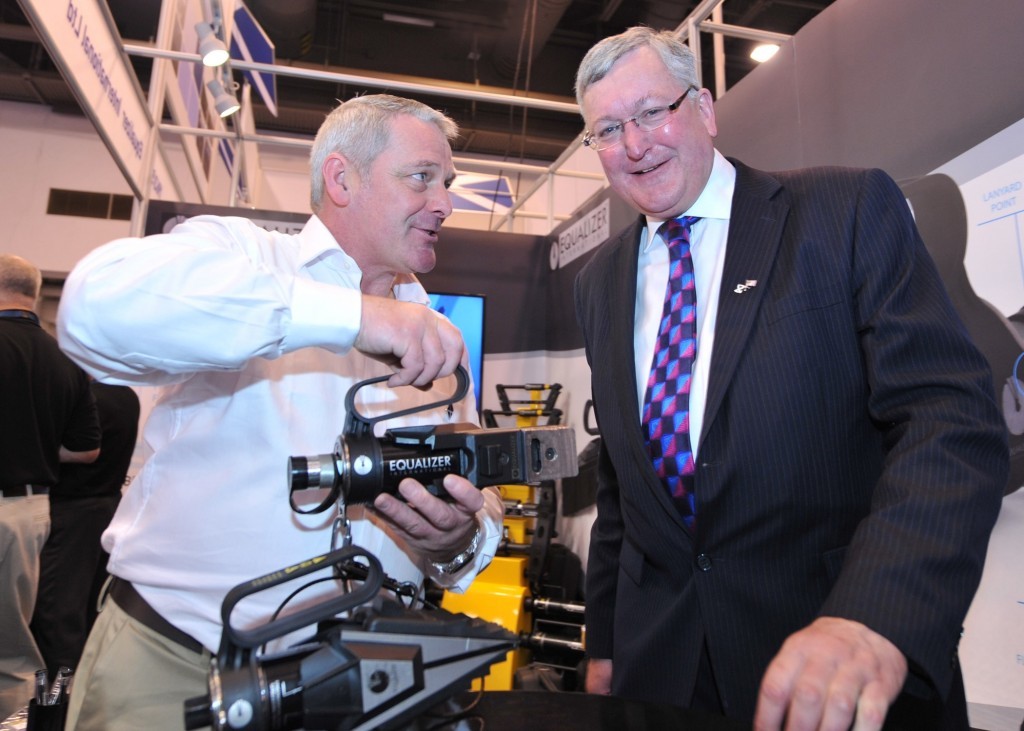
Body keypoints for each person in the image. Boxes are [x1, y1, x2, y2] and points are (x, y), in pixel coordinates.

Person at [572, 27, 1008, 731]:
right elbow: (623, 484)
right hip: (664, 672)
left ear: (705, 110)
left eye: (654, 112)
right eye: (608, 129)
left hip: (835, 659)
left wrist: (876, 614)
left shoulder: (843, 212)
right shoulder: (599, 281)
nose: (634, 143)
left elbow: (948, 419)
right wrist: (607, 640)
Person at [56, 94, 505, 730]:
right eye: (421, 178)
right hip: (177, 670)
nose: (445, 203)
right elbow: (93, 311)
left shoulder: (435, 340)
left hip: (361, 687)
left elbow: (480, 507)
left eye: (447, 184)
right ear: (342, 178)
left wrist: (459, 540)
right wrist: (354, 317)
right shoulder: (240, 257)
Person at [0, 253, 100, 720]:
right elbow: (85, 450)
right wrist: (35, 443)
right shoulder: (66, 360)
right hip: (32, 513)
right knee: (16, 648)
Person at [31, 381, 140, 678]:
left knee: (58, 616)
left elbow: (81, 449)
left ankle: (57, 709)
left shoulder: (84, 398)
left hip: (73, 515)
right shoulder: (126, 395)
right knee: (89, 610)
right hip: (107, 509)